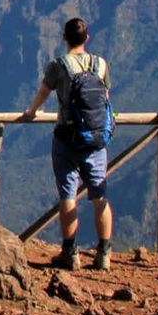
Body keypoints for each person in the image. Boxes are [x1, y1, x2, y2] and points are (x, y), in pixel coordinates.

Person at [23, 17, 113, 271]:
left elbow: (43, 93)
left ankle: (70, 253)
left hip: (68, 138)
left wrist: (31, 112)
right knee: (100, 195)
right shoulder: (101, 65)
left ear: (64, 38)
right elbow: (105, 98)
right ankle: (104, 253)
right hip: (96, 139)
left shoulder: (58, 65)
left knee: (68, 195)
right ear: (87, 37)